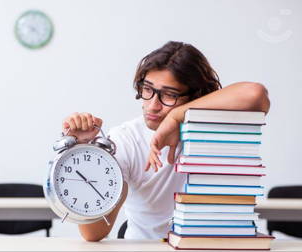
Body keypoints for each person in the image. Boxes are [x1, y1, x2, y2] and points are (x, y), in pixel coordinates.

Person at [62, 41, 270, 241]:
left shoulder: (212, 130)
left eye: (169, 95)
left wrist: (175, 116)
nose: (152, 106)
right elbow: (93, 233)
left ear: (195, 96)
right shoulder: (126, 139)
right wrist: (86, 155)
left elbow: (255, 94)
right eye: (147, 89)